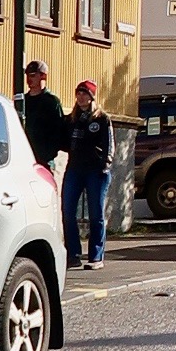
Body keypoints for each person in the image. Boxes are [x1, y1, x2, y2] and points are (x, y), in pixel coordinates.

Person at [61, 78, 112, 266]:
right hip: (74, 168)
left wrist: (105, 164)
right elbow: (63, 140)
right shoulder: (71, 119)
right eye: (78, 93)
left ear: (91, 97)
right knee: (67, 211)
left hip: (95, 170)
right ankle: (73, 254)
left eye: (84, 94)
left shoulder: (101, 119)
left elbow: (109, 145)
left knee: (96, 214)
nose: (80, 97)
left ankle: (96, 256)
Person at [19, 59, 66, 168]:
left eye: (33, 75)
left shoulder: (52, 102)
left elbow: (58, 131)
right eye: (27, 76)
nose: (29, 79)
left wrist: (48, 154)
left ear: (43, 76)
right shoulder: (23, 101)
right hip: (24, 157)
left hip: (44, 160)